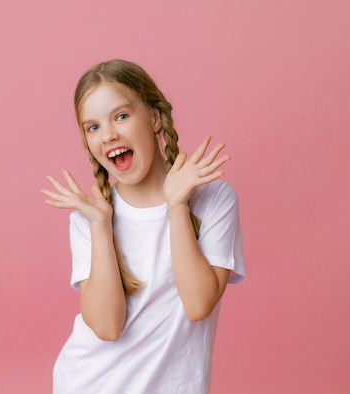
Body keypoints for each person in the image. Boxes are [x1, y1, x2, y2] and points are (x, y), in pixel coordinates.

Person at [41, 59, 245, 394]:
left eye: (121, 116)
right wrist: (100, 226)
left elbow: (197, 305)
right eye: (92, 127)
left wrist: (177, 206)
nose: (108, 135)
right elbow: (107, 327)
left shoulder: (213, 198)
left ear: (153, 117)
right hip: (89, 383)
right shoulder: (90, 216)